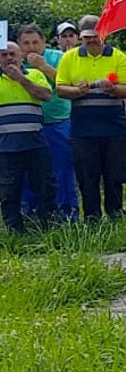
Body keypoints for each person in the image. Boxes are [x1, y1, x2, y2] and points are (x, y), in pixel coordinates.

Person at [55, 15, 126, 221]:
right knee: (87, 175)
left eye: (95, 36)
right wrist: (76, 91)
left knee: (114, 173)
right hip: (83, 127)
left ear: (104, 35)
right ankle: (91, 217)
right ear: (81, 37)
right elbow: (60, 88)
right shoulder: (70, 58)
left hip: (113, 125)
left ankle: (115, 213)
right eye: (87, 37)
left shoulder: (118, 57)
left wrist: (113, 88)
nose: (91, 41)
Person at [16, 24, 76, 220]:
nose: (31, 47)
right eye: (26, 43)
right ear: (19, 45)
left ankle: (66, 213)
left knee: (62, 168)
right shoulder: (13, 61)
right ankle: (30, 213)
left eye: (35, 42)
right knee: (27, 171)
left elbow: (69, 83)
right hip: (26, 125)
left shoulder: (58, 57)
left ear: (44, 42)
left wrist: (43, 66)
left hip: (56, 121)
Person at [0, 41, 54, 232]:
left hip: (35, 144)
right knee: (8, 192)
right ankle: (14, 232)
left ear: (20, 55)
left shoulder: (35, 74)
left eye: (12, 54)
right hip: (6, 147)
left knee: (45, 187)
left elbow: (46, 95)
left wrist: (21, 79)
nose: (8, 58)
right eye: (3, 54)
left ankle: (49, 228)